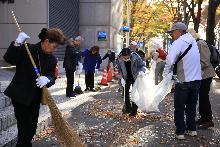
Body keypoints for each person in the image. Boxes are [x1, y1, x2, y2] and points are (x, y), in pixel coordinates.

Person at [3, 28, 66, 147]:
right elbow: (9, 59)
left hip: (35, 97)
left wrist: (47, 79)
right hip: (20, 95)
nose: (55, 49)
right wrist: (17, 43)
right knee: (25, 128)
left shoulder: (52, 59)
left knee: (32, 127)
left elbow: (52, 76)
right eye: (55, 46)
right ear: (46, 41)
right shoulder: (28, 49)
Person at [163, 22, 201, 140]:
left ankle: (180, 132)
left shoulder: (178, 43)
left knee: (179, 107)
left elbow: (170, 61)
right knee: (191, 106)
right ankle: (192, 129)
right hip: (196, 80)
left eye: (172, 33)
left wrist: (165, 76)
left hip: (183, 80)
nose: (171, 35)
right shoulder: (193, 42)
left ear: (178, 32)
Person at [188, 28, 215, 129]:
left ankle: (208, 120)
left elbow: (204, 61)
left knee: (204, 97)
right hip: (201, 75)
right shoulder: (196, 44)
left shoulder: (200, 43)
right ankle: (203, 118)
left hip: (206, 75)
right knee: (202, 96)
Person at [118, 48, 146, 116]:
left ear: (130, 55)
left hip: (135, 77)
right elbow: (119, 70)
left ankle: (134, 111)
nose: (125, 59)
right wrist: (121, 78)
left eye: (127, 57)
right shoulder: (119, 58)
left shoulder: (136, 57)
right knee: (125, 93)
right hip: (126, 78)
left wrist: (142, 71)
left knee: (134, 94)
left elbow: (142, 65)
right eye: (124, 58)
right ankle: (128, 108)